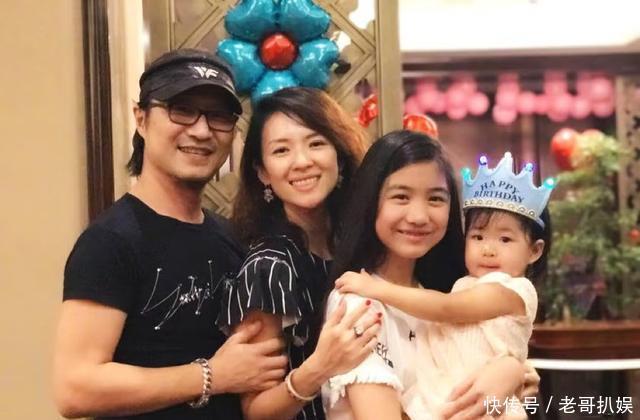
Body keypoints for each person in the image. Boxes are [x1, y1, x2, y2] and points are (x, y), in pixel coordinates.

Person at [53, 48, 288, 419]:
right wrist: (212, 376)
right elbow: (75, 388)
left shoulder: (231, 238)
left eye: (218, 116)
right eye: (182, 109)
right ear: (141, 119)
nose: (201, 130)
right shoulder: (110, 241)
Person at [323, 131, 540, 420]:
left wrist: (512, 370)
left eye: (436, 199)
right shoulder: (358, 304)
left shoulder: (447, 293)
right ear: (371, 201)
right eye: (401, 196)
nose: (418, 216)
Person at [216, 87, 378, 420]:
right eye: (281, 150)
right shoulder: (268, 267)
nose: (302, 162)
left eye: (316, 143)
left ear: (339, 154)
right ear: (262, 172)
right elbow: (255, 410)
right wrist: (320, 367)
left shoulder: (363, 245)